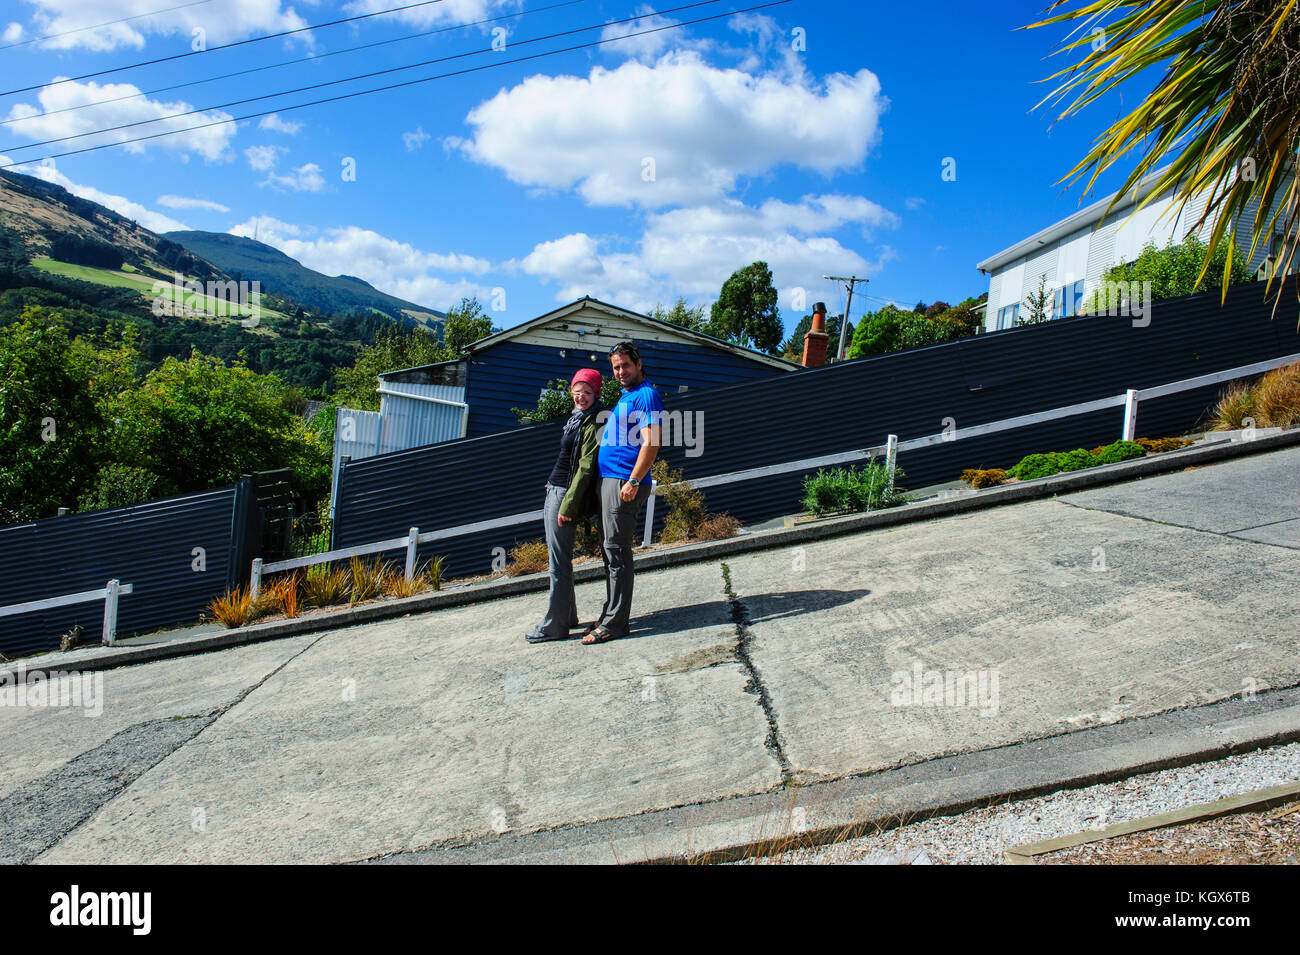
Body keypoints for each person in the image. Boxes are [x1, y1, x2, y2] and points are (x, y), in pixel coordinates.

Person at [585, 341, 663, 645]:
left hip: (624, 482)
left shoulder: (646, 395)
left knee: (616, 552)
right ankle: (610, 613)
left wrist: (632, 480)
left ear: (638, 364)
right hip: (611, 480)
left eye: (625, 365)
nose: (620, 372)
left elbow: (652, 444)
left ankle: (616, 623)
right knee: (609, 551)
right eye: (615, 367)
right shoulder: (626, 396)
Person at [524, 369, 605, 643]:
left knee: (557, 564)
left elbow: (585, 468)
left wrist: (567, 506)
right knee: (560, 561)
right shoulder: (575, 419)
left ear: (597, 394)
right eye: (578, 391)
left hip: (564, 495)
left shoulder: (593, 422)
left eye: (588, 392)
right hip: (555, 489)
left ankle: (553, 627)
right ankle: (567, 617)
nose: (581, 397)